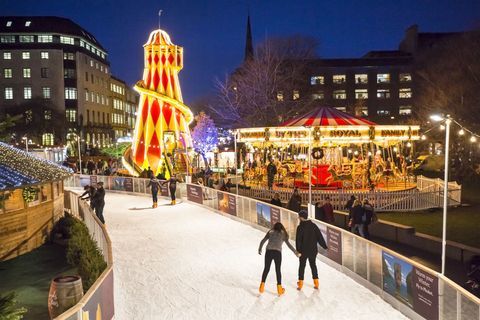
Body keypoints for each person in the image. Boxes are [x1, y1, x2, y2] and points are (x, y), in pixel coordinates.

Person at [258, 222, 300, 296]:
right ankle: (279, 289)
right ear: (282, 227)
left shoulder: (270, 232)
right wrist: (296, 252)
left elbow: (263, 240)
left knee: (266, 269)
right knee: (278, 270)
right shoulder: (283, 234)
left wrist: (260, 248)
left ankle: (261, 287)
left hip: (269, 251)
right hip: (277, 253)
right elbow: (289, 245)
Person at [295, 210, 327, 290]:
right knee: (313, 265)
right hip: (313, 250)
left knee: (302, 266)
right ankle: (316, 283)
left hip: (303, 251)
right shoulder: (314, 226)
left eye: (299, 216)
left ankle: (300, 284)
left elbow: (298, 240)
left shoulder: (300, 227)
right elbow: (320, 237)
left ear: (302, 218)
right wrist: (325, 246)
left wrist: (298, 250)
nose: (298, 218)